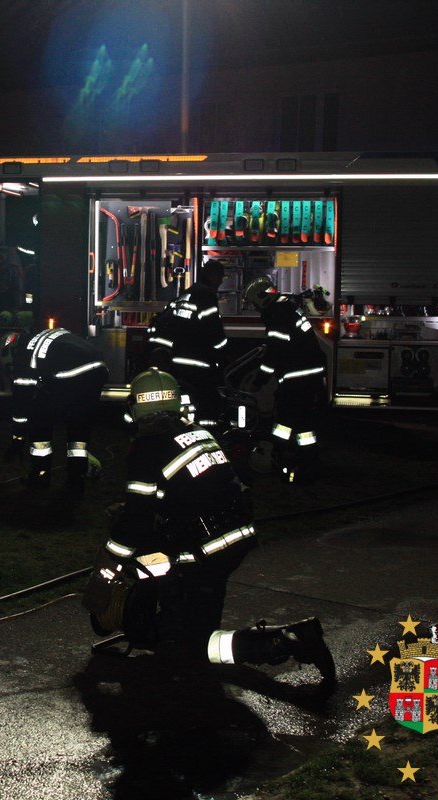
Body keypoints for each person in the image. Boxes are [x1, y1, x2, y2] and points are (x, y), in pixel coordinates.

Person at [82, 368, 335, 686]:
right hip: (234, 538)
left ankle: (285, 641)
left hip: (206, 550)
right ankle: (173, 621)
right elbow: (193, 490)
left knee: (198, 646)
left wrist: (106, 570)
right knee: (196, 621)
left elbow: (135, 523)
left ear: (135, 406)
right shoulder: (197, 432)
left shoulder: (147, 448)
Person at [4, 326, 109, 495]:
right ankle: (76, 480)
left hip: (70, 373)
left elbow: (21, 404)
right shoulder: (44, 335)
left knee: (39, 420)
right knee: (78, 426)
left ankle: (40, 476)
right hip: (99, 368)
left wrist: (18, 438)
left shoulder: (24, 354)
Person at [243, 277, 328, 483]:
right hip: (310, 376)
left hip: (298, 378)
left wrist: (258, 381)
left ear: (262, 298)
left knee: (285, 421)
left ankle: (276, 456)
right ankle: (306, 462)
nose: (255, 308)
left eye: (254, 303)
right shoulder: (287, 309)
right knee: (303, 423)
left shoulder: (277, 314)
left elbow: (275, 353)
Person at [146, 258, 230, 427]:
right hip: (196, 363)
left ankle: (183, 427)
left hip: (176, 361)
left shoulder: (186, 294)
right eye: (220, 278)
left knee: (185, 401)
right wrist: (224, 356)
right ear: (213, 276)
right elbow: (215, 333)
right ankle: (206, 432)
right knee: (208, 403)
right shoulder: (206, 296)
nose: (220, 282)